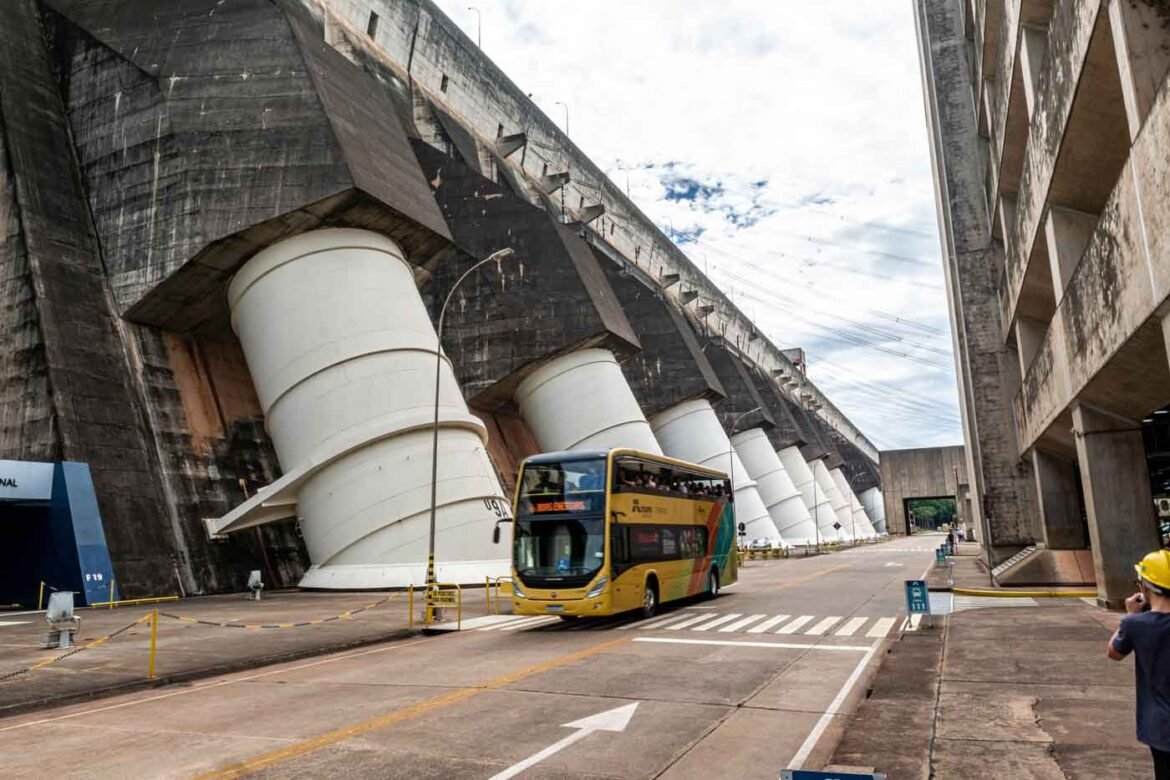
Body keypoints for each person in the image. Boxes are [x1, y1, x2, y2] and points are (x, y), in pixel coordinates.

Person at [1108, 549, 1170, 778]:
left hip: (1161, 727)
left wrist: (1131, 615)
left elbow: (1114, 652)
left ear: (1145, 586)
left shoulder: (1137, 625)